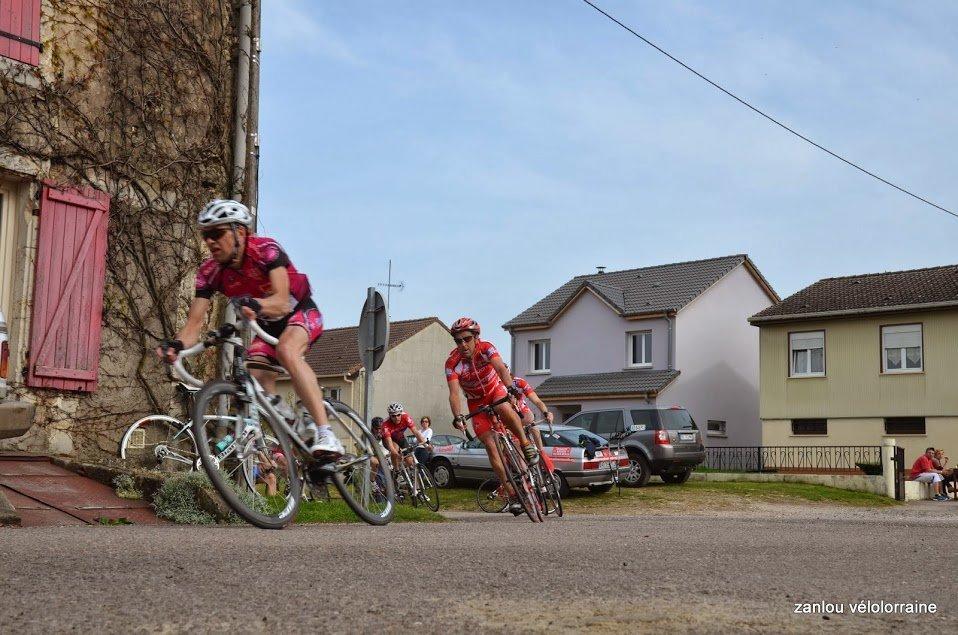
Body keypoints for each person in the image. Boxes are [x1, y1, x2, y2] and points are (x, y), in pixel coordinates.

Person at [156, 199, 343, 459]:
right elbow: (193, 325)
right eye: (206, 235)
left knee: (287, 351)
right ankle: (297, 427)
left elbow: (281, 300)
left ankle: (326, 433)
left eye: (217, 233)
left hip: (299, 312)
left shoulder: (265, 250)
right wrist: (176, 346)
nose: (210, 242)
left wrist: (257, 303)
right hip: (265, 325)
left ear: (240, 232)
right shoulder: (209, 272)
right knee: (255, 375)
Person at [445, 317, 538, 515]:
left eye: (467, 339)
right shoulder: (452, 363)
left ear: (476, 337)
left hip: (495, 390)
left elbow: (501, 369)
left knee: (504, 407)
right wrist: (457, 415)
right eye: (458, 341)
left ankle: (525, 443)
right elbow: (453, 393)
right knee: (490, 446)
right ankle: (512, 494)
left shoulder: (486, 348)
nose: (463, 344)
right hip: (476, 402)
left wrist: (510, 388)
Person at [510, 371, 556, 475]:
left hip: (524, 414)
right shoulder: (496, 386)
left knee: (534, 426)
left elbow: (537, 401)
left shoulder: (519, 383)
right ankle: (526, 476)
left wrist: (546, 413)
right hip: (511, 419)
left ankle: (541, 452)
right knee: (518, 448)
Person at [382, 402, 427, 477]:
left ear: (401, 413)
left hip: (400, 438)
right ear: (390, 416)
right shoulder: (385, 425)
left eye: (398, 415)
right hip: (389, 440)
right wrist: (398, 455)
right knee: (395, 449)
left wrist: (426, 445)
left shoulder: (406, 417)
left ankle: (412, 477)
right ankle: (396, 471)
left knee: (409, 460)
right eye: (393, 416)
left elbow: (416, 432)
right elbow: (391, 446)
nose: (396, 418)